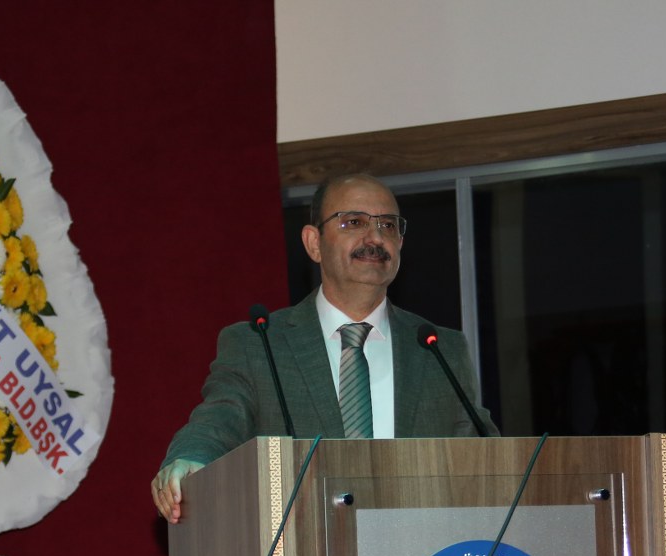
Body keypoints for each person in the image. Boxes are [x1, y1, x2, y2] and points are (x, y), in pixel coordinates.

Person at [152, 173, 497, 522]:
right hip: (305, 546)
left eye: (388, 225)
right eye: (354, 222)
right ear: (313, 243)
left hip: (420, 547)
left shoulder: (439, 350)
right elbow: (219, 420)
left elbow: (487, 458)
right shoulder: (260, 344)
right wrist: (190, 458)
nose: (375, 238)